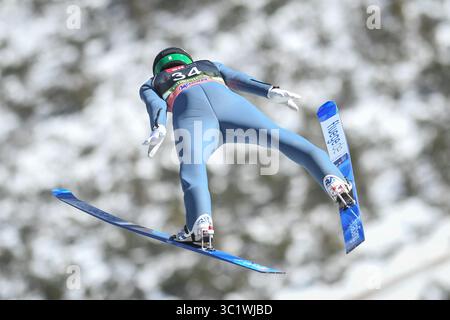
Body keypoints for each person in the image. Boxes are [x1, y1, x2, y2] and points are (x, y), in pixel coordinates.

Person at [139, 47, 353, 249]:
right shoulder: (208, 64)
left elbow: (155, 105)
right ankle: (333, 179)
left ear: (158, 69)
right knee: (281, 138)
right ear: (187, 60)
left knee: (193, 167)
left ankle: (200, 224)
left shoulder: (153, 82)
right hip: (232, 107)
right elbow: (238, 79)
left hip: (193, 117)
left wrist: (158, 126)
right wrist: (269, 91)